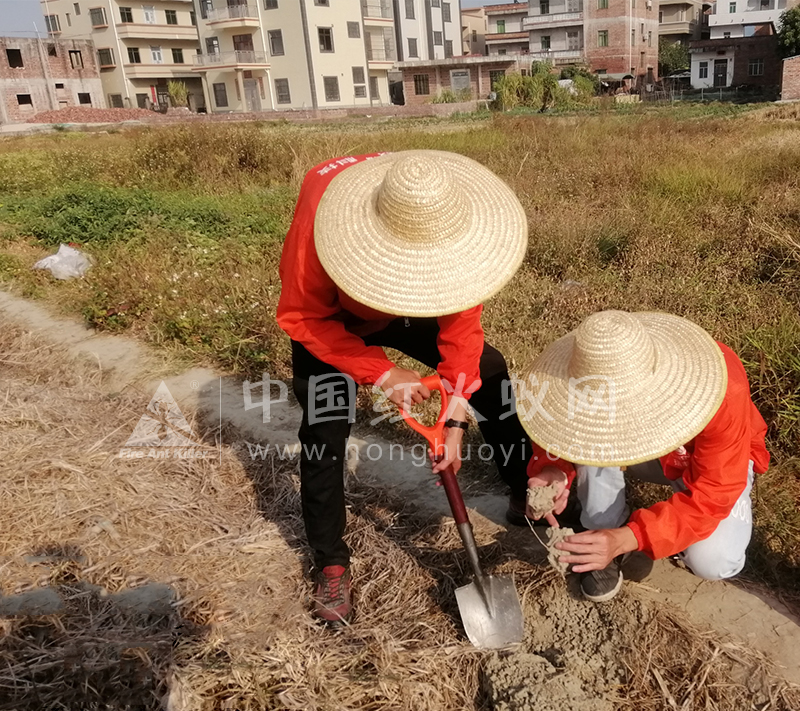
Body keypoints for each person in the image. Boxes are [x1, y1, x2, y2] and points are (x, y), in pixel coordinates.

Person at [276, 150, 536, 624]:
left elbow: (462, 331)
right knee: (326, 427)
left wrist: (455, 414)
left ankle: (524, 484)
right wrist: (380, 372)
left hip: (405, 305)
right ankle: (330, 561)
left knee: (489, 368)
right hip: (333, 316)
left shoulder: (448, 215)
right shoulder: (323, 219)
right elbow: (301, 315)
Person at [517, 310, 770, 602]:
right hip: (656, 459)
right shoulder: (594, 371)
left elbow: (715, 490)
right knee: (589, 439)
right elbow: (562, 425)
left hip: (707, 463)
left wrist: (632, 537)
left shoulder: (720, 386)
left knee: (713, 560)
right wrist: (555, 469)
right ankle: (602, 528)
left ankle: (641, 538)